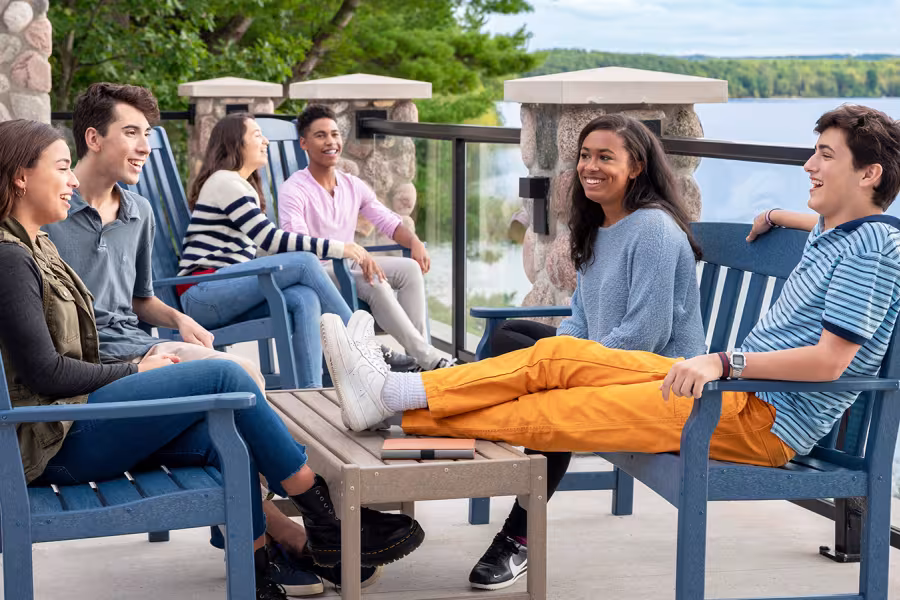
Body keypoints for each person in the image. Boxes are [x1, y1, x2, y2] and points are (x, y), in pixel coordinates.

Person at [320, 103, 900, 587]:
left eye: (824, 155)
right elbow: (842, 225)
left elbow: (830, 362)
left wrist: (724, 361)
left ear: (869, 173)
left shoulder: (870, 250)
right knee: (549, 356)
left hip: (760, 418)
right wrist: (780, 215)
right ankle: (395, 398)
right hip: (737, 398)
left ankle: (395, 402)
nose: (808, 164)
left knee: (552, 405)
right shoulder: (838, 233)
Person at [0, 118, 424, 600]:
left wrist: (152, 351)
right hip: (56, 440)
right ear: (20, 177)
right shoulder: (10, 258)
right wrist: (136, 369)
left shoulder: (39, 246)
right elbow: (45, 373)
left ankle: (261, 572)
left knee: (226, 438)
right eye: (61, 168)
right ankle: (326, 519)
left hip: (78, 416)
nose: (72, 180)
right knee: (223, 372)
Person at [44, 83, 359, 595]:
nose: (145, 145)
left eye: (148, 134)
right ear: (93, 139)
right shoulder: (50, 214)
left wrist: (178, 318)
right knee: (232, 377)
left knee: (242, 377)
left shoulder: (138, 212)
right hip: (96, 371)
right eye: (132, 133)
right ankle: (300, 522)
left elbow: (142, 299)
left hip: (140, 346)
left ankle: (267, 536)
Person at [442, 114, 710, 590]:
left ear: (636, 167)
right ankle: (473, 419)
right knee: (510, 337)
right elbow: (581, 320)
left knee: (546, 388)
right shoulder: (599, 226)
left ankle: (517, 534)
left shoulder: (653, 230)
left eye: (606, 156)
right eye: (586, 155)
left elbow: (647, 334)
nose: (590, 166)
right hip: (610, 364)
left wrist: (569, 366)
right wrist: (568, 356)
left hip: (659, 384)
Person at [278, 105, 452, 371]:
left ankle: (419, 359)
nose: (331, 142)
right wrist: (351, 251)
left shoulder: (352, 185)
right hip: (315, 272)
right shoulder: (293, 189)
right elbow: (299, 244)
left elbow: (389, 221)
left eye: (335, 134)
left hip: (347, 266)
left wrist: (415, 242)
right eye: (320, 135)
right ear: (304, 143)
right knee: (376, 281)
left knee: (410, 269)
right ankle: (428, 359)